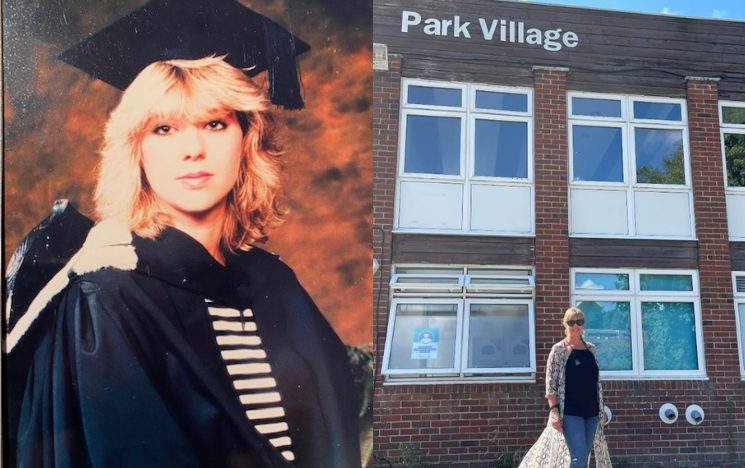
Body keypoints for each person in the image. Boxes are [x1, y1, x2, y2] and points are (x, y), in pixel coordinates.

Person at [4, 1, 361, 467]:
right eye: (164, 128)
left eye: (215, 123)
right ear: (136, 150)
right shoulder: (108, 296)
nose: (193, 149)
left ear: (247, 138)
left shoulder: (275, 283)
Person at [518, 308, 612, 468]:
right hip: (570, 411)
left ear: (583, 325)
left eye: (579, 322)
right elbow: (551, 383)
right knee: (579, 458)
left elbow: (594, 382)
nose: (575, 325)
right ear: (565, 324)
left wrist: (601, 408)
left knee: (584, 456)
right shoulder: (559, 349)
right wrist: (554, 411)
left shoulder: (591, 349)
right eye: (571, 322)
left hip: (591, 412)